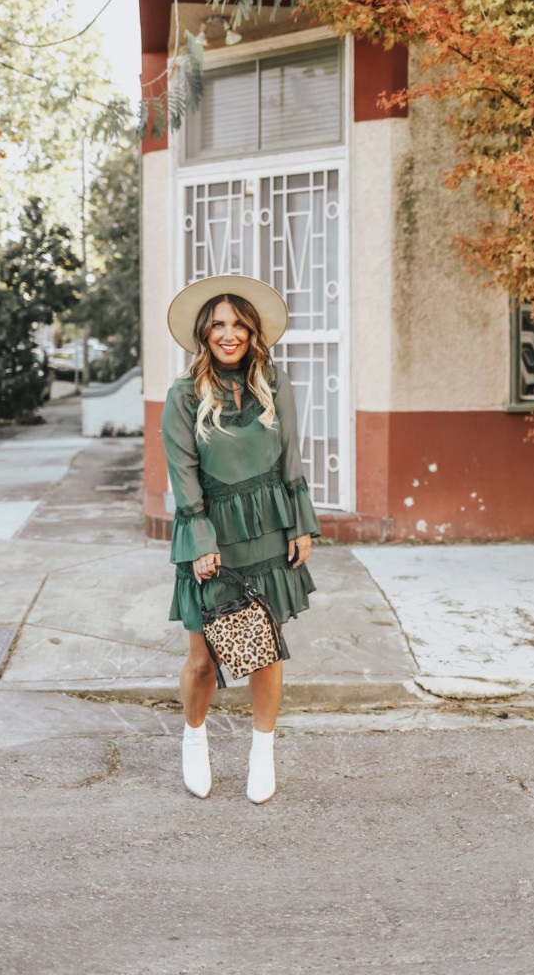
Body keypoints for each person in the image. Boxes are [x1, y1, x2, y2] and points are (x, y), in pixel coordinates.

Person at [161, 275, 320, 804]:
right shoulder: (183, 396)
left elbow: (291, 457)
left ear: (253, 331)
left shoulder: (276, 385)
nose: (229, 334)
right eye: (219, 325)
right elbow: (183, 474)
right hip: (210, 535)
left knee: (264, 651)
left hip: (268, 528)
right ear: (205, 334)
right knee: (204, 658)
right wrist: (201, 537)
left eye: (238, 325)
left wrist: (300, 523)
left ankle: (262, 752)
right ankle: (194, 738)